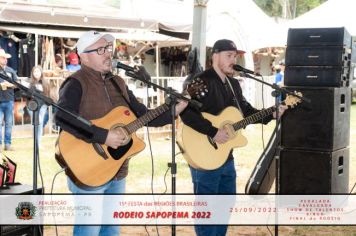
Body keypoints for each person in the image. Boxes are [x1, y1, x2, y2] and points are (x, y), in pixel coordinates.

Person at [55, 30, 188, 236]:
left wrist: (176, 109)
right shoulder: (75, 83)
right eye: (100, 49)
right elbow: (63, 117)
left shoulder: (118, 83)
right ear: (84, 55)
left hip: (118, 170)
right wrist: (103, 136)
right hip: (88, 169)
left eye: (109, 48)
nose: (108, 53)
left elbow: (144, 116)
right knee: (89, 230)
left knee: (111, 229)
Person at [180, 39, 287, 236]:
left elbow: (246, 112)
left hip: (225, 155)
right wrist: (213, 131)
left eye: (235, 56)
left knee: (226, 203)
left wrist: (271, 114)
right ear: (215, 56)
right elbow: (185, 113)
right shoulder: (200, 81)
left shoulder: (234, 84)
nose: (233, 60)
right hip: (203, 153)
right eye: (229, 55)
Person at [0, 48, 18, 151]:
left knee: (9, 124)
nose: (5, 59)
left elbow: (17, 84)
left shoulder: (11, 71)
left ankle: (7, 144)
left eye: (5, 58)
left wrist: (9, 85)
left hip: (9, 100)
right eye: (3, 58)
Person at [26, 66, 49, 146]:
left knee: (40, 122)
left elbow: (47, 95)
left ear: (41, 72)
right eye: (35, 72)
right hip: (32, 106)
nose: (36, 73)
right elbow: (27, 95)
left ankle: (38, 143)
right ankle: (36, 142)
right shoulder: (29, 82)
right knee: (37, 123)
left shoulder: (45, 82)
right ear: (32, 73)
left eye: (38, 71)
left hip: (42, 106)